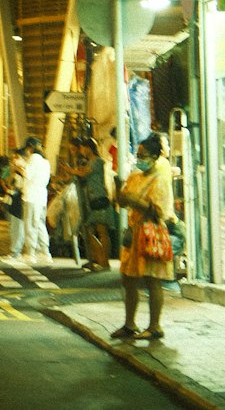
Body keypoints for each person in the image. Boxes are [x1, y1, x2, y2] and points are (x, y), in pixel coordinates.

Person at [112, 132, 176, 342]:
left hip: (150, 233)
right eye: (138, 154)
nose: (140, 159)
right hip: (133, 233)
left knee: (152, 280)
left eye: (144, 155)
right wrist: (120, 194)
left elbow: (161, 212)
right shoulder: (134, 177)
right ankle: (129, 323)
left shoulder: (160, 180)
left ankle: (154, 326)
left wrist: (136, 201)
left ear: (155, 156)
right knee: (128, 279)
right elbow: (121, 202)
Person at [71, 136, 114, 271]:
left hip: (100, 199)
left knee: (101, 232)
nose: (81, 151)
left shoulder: (98, 162)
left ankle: (104, 262)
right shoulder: (90, 162)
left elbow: (83, 174)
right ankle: (98, 259)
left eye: (83, 148)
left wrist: (69, 169)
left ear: (88, 148)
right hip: (94, 200)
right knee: (91, 231)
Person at [20, 136, 52, 263]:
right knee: (39, 224)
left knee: (30, 225)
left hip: (31, 196)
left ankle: (30, 253)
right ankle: (45, 252)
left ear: (30, 148)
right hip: (41, 197)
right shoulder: (46, 161)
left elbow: (27, 174)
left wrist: (19, 167)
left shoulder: (33, 159)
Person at [3, 148, 27, 260]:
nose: (14, 160)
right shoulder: (13, 170)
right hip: (13, 199)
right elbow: (8, 182)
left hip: (21, 199)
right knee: (13, 225)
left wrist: (19, 170)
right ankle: (14, 250)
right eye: (13, 158)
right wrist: (13, 172)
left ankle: (16, 250)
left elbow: (26, 183)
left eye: (17, 157)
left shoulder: (27, 169)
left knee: (19, 226)